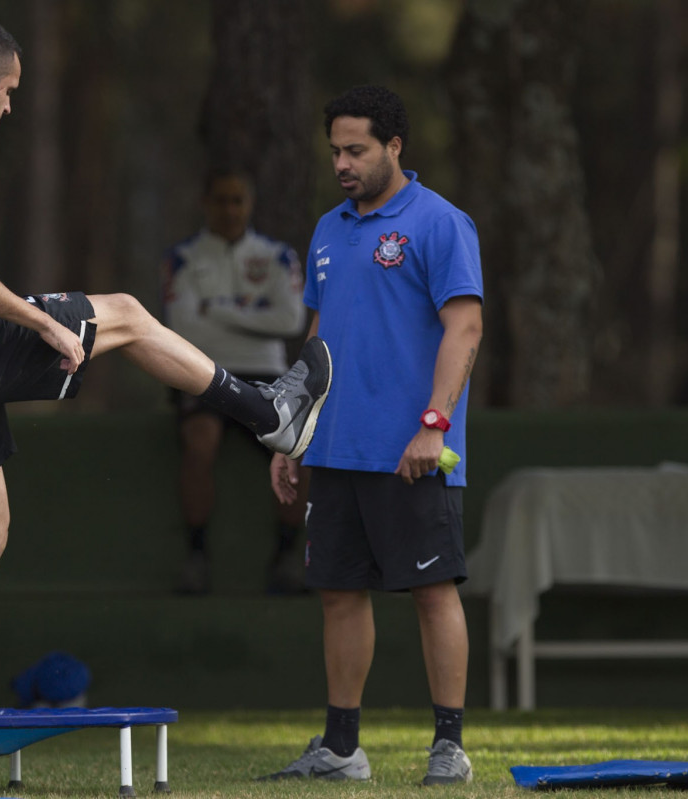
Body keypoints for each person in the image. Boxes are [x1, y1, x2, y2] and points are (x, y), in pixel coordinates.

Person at [0, 16, 332, 717]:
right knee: (125, 311)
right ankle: (270, 412)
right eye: (10, 91)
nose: (9, 106)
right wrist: (42, 321)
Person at [257, 85, 483, 785]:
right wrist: (293, 436)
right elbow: (319, 339)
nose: (343, 164)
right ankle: (341, 747)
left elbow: (465, 326)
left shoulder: (441, 223)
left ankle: (449, 746)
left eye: (356, 150)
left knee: (433, 588)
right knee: (337, 591)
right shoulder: (328, 228)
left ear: (394, 146)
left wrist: (433, 424)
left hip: (412, 450)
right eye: (335, 152)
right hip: (335, 446)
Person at [161, 168, 309, 595]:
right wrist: (251, 311)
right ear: (205, 204)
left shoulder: (278, 255)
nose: (230, 210)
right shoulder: (182, 257)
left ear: (250, 205)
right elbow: (184, 325)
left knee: (296, 453)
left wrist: (217, 309)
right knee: (199, 442)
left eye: (237, 200)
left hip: (268, 374)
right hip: (203, 369)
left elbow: (290, 320)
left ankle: (286, 559)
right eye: (221, 200)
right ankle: (197, 556)